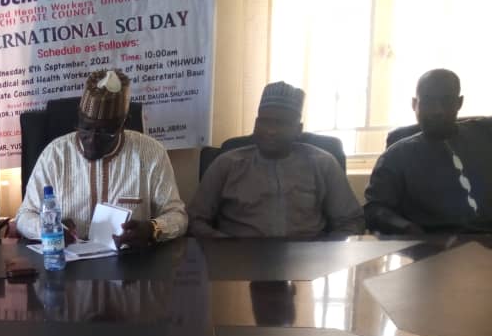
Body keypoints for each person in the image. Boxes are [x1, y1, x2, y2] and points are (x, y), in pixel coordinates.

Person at [15, 69, 187, 247]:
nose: (92, 140)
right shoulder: (55, 155)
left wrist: (152, 229)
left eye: (105, 132)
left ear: (123, 124)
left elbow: (177, 215)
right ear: (79, 118)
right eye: (86, 128)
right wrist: (50, 228)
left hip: (130, 259)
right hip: (68, 259)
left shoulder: (151, 154)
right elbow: (24, 216)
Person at [189, 81, 364, 238]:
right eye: (264, 121)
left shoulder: (323, 163)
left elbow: (351, 222)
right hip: (240, 257)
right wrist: (224, 246)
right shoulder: (227, 163)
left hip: (307, 258)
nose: (270, 131)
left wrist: (327, 254)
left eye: (281, 123)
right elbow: (195, 220)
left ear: (298, 130)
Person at [365, 69, 492, 234]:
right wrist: (407, 228)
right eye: (428, 101)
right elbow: (374, 209)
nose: (438, 111)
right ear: (414, 104)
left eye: (446, 101)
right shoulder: (396, 156)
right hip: (431, 242)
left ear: (459, 103)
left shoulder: (485, 137)